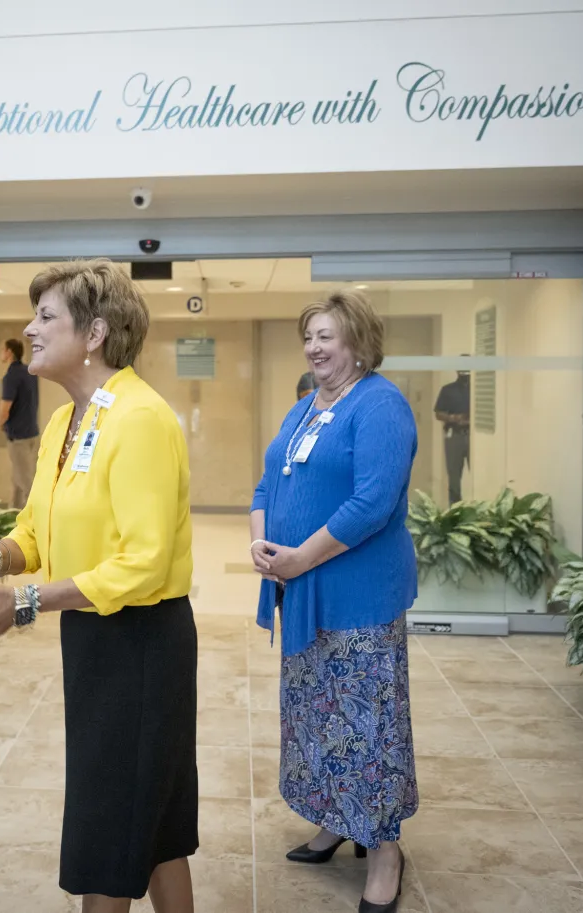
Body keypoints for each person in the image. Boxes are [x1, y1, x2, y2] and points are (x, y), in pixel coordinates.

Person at [0, 259, 199, 913]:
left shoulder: (140, 418)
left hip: (142, 643)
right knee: (154, 824)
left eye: (45, 316)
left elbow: (143, 562)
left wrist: (25, 603)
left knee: (109, 826)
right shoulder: (65, 422)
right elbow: (34, 538)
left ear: (95, 333)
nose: (28, 328)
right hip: (95, 634)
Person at [250, 289, 419, 913]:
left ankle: (384, 851)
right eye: (309, 337)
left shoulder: (380, 405)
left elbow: (372, 505)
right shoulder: (306, 408)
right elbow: (267, 481)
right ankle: (335, 819)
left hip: (357, 596)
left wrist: (299, 558)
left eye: (327, 336)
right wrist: (263, 544)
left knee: (365, 725)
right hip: (301, 591)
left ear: (358, 342)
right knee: (316, 717)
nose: (314, 347)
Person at [0, 337, 41, 507]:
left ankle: (37, 524)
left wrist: (0, 422)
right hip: (31, 433)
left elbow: (5, 409)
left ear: (9, 352)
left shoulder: (11, 376)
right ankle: (13, 513)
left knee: (26, 482)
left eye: (3, 349)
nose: (1, 353)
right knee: (18, 477)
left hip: (18, 437)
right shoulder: (29, 373)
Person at [434, 358, 471, 505]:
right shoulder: (448, 390)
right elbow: (438, 413)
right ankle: (455, 511)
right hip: (454, 435)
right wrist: (454, 418)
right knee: (454, 478)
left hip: (475, 438)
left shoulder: (478, 390)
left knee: (482, 475)